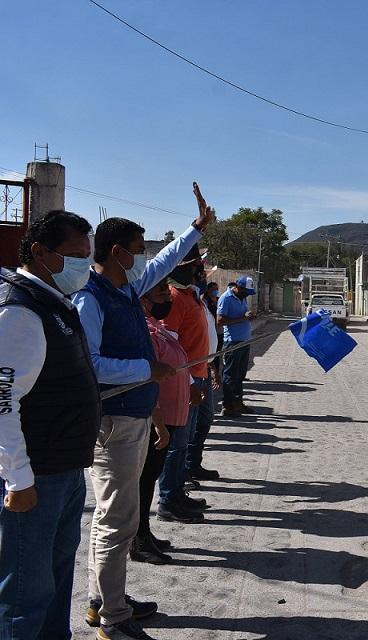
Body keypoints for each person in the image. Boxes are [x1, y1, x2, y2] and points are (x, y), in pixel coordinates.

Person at [73, 183, 213, 640]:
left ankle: (105, 600)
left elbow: (163, 263)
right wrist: (144, 368)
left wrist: (194, 231)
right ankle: (113, 618)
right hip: (113, 424)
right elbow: (88, 365)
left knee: (118, 515)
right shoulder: (90, 299)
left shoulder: (125, 290)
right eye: (135, 249)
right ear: (115, 252)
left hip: (131, 419)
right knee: (116, 519)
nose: (141, 257)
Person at [0, 211, 98, 640]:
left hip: (64, 470)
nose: (84, 265)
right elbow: (2, 403)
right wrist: (19, 480)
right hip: (35, 477)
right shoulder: (19, 312)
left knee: (55, 585)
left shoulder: (50, 302)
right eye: (76, 255)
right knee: (25, 595)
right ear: (40, 252)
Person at [133, 282, 188, 564]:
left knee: (150, 478)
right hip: (159, 420)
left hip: (171, 417)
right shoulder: (144, 330)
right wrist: (158, 422)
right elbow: (147, 379)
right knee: (143, 480)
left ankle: (145, 531)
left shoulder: (158, 325)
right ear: (144, 300)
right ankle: (138, 539)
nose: (168, 298)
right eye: (162, 295)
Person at [156, 246, 210, 522]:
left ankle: (177, 492)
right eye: (195, 266)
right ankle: (168, 499)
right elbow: (170, 344)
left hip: (199, 373)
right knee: (177, 442)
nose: (200, 270)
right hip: (184, 381)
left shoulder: (192, 295)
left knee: (186, 438)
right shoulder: (175, 298)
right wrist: (189, 382)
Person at [187, 271, 221, 483]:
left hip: (205, 368)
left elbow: (209, 338)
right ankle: (180, 475)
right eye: (197, 272)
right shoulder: (180, 299)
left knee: (205, 420)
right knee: (187, 428)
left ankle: (193, 464)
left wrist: (214, 367)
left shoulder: (199, 302)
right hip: (191, 375)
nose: (201, 277)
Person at [217, 277, 255, 418]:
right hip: (232, 342)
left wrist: (248, 316)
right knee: (230, 375)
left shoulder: (242, 298)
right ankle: (227, 406)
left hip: (244, 341)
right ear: (238, 287)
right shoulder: (225, 298)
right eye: (246, 292)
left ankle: (238, 402)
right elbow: (220, 321)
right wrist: (243, 319)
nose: (248, 295)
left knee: (240, 375)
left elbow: (242, 315)